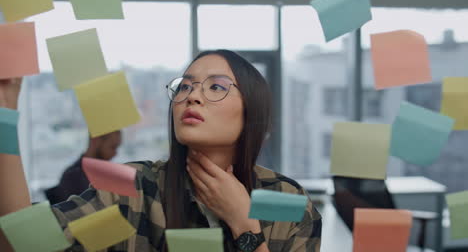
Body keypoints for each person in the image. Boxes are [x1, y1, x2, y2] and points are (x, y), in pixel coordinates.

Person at [0, 50, 322, 252]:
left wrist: (243, 223)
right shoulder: (132, 186)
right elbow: (20, 242)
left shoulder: (288, 202)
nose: (192, 96)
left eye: (216, 87)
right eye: (185, 85)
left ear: (252, 111)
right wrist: (5, 113)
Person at [44, 131, 122, 205]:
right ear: (96, 140)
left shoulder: (107, 174)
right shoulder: (73, 177)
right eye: (113, 147)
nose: (115, 153)